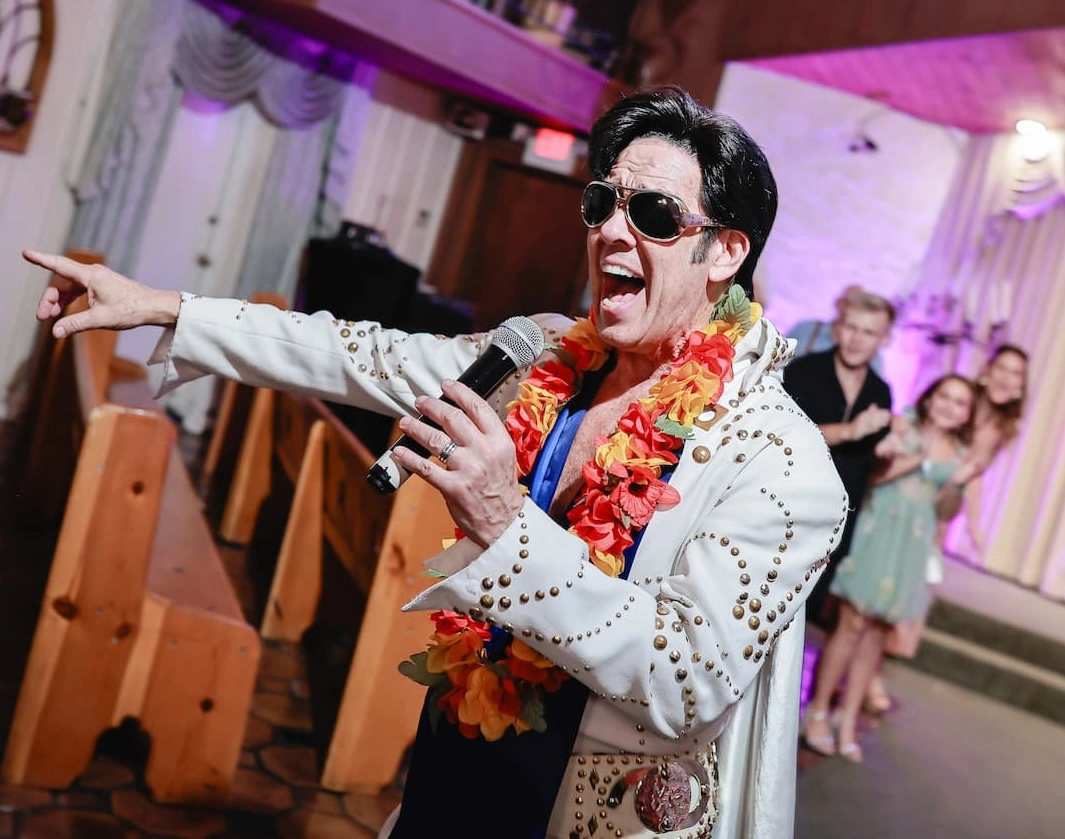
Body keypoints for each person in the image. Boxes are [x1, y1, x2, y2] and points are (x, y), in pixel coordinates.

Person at [28, 86, 845, 838]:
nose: (609, 231)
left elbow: (684, 679)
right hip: (458, 761)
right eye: (602, 202)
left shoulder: (780, 463)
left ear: (725, 251)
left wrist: (504, 523)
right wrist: (165, 307)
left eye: (654, 214)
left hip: (586, 808)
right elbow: (359, 353)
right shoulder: (547, 356)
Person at [800, 375, 977, 762]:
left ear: (968, 414)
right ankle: (817, 711)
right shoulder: (902, 426)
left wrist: (956, 484)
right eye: (944, 396)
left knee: (877, 637)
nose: (950, 407)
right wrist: (917, 457)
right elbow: (875, 478)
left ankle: (847, 718)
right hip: (877, 533)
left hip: (910, 547)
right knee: (850, 626)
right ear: (929, 398)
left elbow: (945, 510)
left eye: (960, 403)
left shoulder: (961, 454)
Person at [782, 291, 895, 628]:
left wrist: (888, 452)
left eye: (868, 332)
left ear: (883, 339)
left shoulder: (880, 391)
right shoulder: (803, 371)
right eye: (851, 327)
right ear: (836, 328)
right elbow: (786, 436)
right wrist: (850, 431)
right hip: (790, 509)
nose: (857, 339)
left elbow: (868, 468)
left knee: (805, 617)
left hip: (837, 522)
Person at [788, 284, 884, 374]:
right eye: (848, 303)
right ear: (838, 303)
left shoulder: (871, 356)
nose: (851, 310)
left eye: (860, 307)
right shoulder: (806, 329)